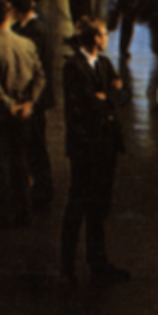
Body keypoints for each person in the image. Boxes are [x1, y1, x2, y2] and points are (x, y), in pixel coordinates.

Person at [60, 16, 130, 284]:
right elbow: (90, 105)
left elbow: (123, 94)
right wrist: (109, 96)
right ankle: (68, 266)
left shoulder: (103, 63)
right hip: (85, 147)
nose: (107, 38)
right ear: (95, 39)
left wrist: (106, 98)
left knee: (99, 206)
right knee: (78, 204)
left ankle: (97, 262)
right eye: (104, 34)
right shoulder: (74, 68)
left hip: (105, 146)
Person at [0, 0, 45, 227]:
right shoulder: (26, 44)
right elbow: (40, 77)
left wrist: (7, 105)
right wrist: (28, 103)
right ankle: (24, 210)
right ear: (9, 17)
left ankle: (1, 214)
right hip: (23, 114)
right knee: (20, 162)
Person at [8, 0, 57, 216]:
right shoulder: (28, 27)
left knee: (36, 145)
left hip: (35, 98)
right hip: (33, 97)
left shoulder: (34, 31)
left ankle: (43, 192)